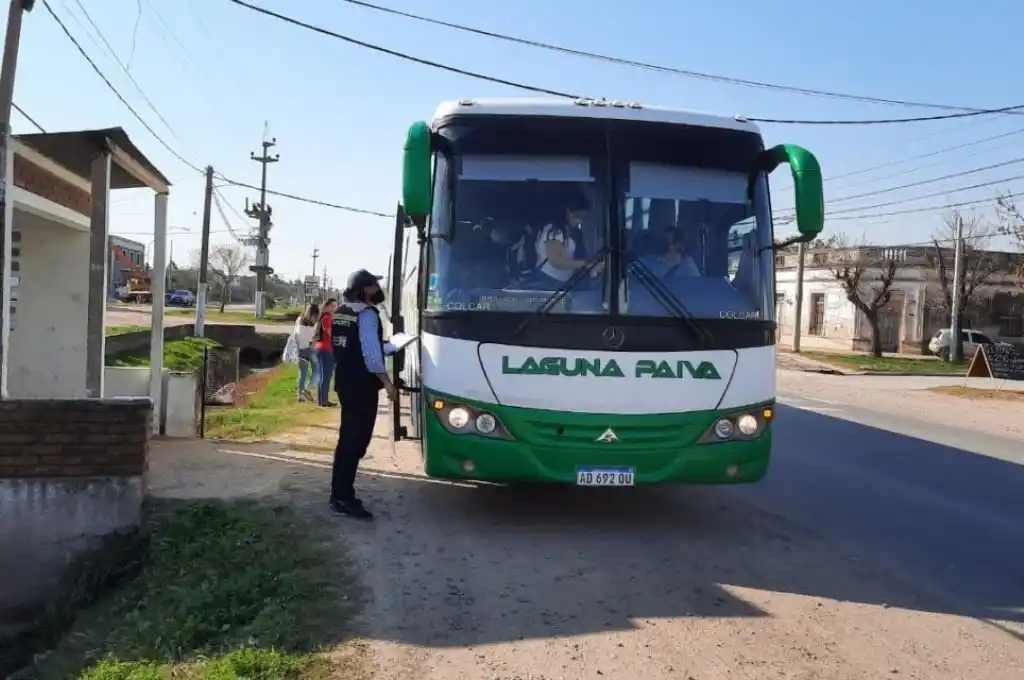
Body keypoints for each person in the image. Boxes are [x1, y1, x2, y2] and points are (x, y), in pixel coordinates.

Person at [329, 269, 399, 519]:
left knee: (346, 439)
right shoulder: (368, 314)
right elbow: (370, 355)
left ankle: (338, 494)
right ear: (364, 289)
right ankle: (343, 498)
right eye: (374, 286)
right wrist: (388, 383)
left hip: (345, 382)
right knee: (355, 442)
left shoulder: (342, 312)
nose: (378, 290)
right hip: (362, 386)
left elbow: (354, 346)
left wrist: (384, 348)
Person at [530, 193, 604, 286]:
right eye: (578, 216)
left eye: (584, 218)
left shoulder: (571, 232)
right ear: (568, 212)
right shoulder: (554, 231)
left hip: (562, 284)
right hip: (548, 282)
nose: (580, 221)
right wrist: (586, 264)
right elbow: (556, 261)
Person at [292, 303, 320, 402]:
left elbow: (295, 334)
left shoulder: (299, 319)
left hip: (299, 350)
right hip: (309, 349)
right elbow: (312, 338)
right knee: (317, 371)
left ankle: (299, 396)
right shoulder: (313, 324)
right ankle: (306, 389)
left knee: (302, 373)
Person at [314, 298, 339, 408]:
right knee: (326, 376)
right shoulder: (327, 318)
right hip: (326, 349)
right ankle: (323, 400)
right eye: (333, 306)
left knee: (322, 376)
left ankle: (321, 400)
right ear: (327, 307)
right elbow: (330, 333)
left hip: (320, 348)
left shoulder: (323, 317)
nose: (335, 308)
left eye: (336, 306)